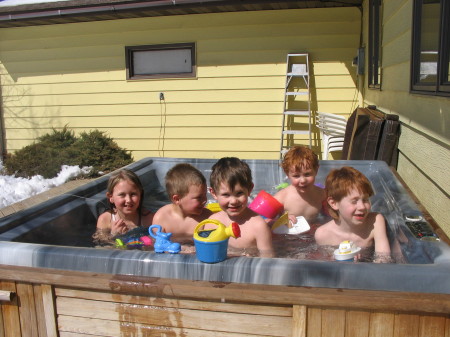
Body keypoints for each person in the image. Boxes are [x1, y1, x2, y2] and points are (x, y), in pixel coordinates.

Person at [314, 166, 391, 262]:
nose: (362, 207)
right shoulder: (323, 235)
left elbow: (384, 261)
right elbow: (326, 269)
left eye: (365, 199)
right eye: (354, 201)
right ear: (334, 203)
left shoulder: (375, 222)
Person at [208, 157, 274, 258]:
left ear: (249, 189)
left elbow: (268, 260)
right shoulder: (212, 222)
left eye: (239, 193)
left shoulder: (258, 226)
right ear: (214, 193)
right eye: (226, 195)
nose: (234, 201)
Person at [152, 163, 212, 241]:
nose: (205, 200)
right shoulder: (161, 218)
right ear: (177, 199)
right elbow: (157, 245)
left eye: (205, 195)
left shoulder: (207, 218)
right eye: (199, 197)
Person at [95, 169, 154, 242]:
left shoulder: (149, 219)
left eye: (133, 194)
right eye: (122, 195)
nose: (128, 200)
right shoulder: (105, 220)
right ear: (111, 197)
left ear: (140, 194)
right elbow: (101, 246)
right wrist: (113, 235)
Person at [274, 146, 326, 224]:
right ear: (287, 174)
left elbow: (330, 217)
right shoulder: (281, 197)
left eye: (307, 174)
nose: (303, 180)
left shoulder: (322, 195)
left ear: (316, 170)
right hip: (289, 234)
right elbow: (265, 221)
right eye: (296, 176)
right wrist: (280, 221)